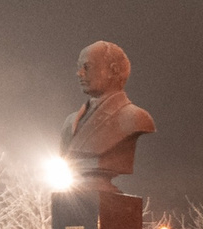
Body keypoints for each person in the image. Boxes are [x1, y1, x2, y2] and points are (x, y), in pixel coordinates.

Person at [61, 41, 154, 189]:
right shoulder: (70, 122)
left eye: (87, 67)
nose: (79, 73)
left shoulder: (134, 118)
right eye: (79, 67)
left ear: (113, 70)